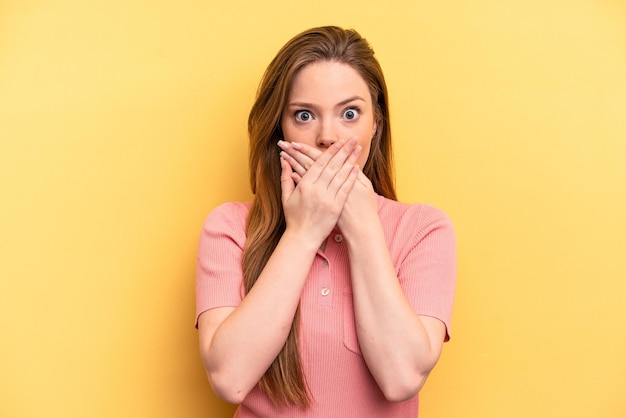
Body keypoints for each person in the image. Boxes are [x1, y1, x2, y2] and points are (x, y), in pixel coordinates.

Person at [195, 26, 456, 417]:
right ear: (278, 128)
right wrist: (302, 233)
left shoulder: (423, 230)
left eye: (350, 114)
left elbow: (401, 378)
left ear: (376, 125)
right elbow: (229, 378)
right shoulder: (229, 229)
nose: (327, 137)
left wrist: (363, 226)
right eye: (304, 115)